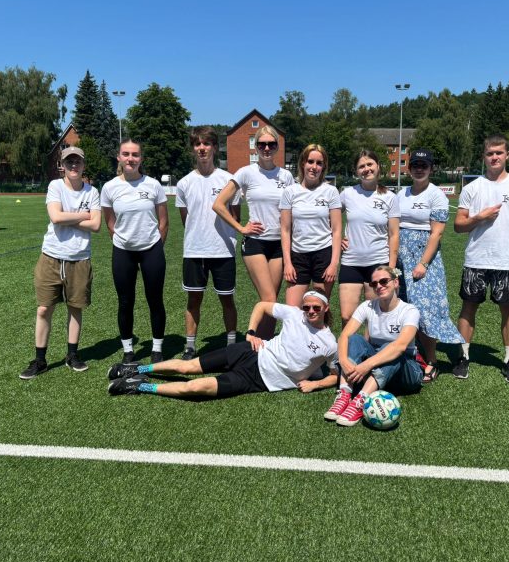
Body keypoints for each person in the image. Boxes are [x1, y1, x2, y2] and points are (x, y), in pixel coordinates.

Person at [107, 291, 338, 399]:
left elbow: (336, 376)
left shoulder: (329, 343)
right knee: (187, 367)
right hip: (249, 352)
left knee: (194, 388)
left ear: (326, 308)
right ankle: (136, 369)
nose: (310, 311)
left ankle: (140, 386)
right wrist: (250, 333)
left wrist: (315, 384)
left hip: (258, 381)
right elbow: (261, 306)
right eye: (307, 307)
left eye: (316, 308)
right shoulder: (293, 313)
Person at [453, 134, 509, 383]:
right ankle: (463, 357)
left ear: (507, 155)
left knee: (508, 310)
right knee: (468, 307)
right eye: (490, 153)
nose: (494, 157)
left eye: (499, 152)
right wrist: (480, 217)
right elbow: (458, 225)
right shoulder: (472, 188)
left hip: (507, 262)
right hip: (476, 259)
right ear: (484, 156)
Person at [19, 147, 101, 379]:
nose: (73, 165)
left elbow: (96, 225)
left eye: (77, 162)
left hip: (79, 258)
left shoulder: (92, 191)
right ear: (62, 166)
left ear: (83, 165)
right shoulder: (55, 186)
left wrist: (67, 217)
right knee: (44, 308)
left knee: (75, 308)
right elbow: (55, 217)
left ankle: (72, 355)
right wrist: (84, 215)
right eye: (69, 162)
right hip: (51, 257)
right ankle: (40, 360)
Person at [213, 125, 294, 339]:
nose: (266, 148)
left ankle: (263, 347)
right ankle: (256, 344)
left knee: (271, 301)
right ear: (256, 147)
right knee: (269, 298)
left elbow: (295, 209)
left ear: (277, 146)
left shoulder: (286, 176)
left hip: (279, 244)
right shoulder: (246, 172)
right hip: (255, 243)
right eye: (262, 144)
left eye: (271, 144)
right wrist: (241, 227)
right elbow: (219, 204)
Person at [324, 265, 422, 427]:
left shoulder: (409, 311)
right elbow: (344, 336)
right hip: (378, 371)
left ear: (396, 282)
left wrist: (366, 365)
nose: (379, 286)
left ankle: (360, 401)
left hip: (407, 372)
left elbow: (400, 346)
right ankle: (344, 394)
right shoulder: (368, 306)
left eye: (384, 281)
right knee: (354, 339)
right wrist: (344, 361)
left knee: (391, 348)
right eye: (374, 284)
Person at [397, 149, 463, 382]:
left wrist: (423, 263)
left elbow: (436, 234)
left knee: (425, 310)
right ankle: (412, 354)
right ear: (409, 168)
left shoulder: (436, 195)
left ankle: (432, 360)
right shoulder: (401, 193)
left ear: (431, 168)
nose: (419, 169)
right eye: (415, 165)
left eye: (423, 165)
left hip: (424, 258)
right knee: (403, 307)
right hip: (401, 257)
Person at [101, 139, 169, 364]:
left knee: (155, 300)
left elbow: (163, 222)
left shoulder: (153, 185)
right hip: (123, 251)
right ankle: (128, 351)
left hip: (151, 250)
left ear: (141, 158)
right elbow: (110, 223)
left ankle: (157, 349)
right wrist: (124, 241)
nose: (130, 158)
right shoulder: (109, 187)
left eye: (135, 154)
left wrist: (155, 246)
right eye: (126, 154)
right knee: (125, 302)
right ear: (119, 157)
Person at [176, 126, 240, 360]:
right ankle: (190, 346)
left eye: (206, 144)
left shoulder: (228, 180)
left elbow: (236, 217)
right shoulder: (184, 183)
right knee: (193, 300)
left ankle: (231, 344)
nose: (202, 148)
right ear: (193, 149)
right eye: (197, 144)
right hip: (194, 251)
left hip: (223, 250)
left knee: (227, 299)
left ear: (214, 147)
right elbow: (186, 220)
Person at [339, 149, 400, 325]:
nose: (366, 169)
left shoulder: (390, 197)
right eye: (361, 166)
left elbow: (394, 234)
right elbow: (329, 219)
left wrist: (391, 269)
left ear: (378, 166)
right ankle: (347, 345)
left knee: (374, 319)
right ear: (356, 171)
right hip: (351, 262)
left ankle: (370, 345)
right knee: (347, 317)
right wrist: (335, 238)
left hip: (378, 263)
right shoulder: (347, 194)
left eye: (370, 164)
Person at [280, 144, 342, 306]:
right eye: (310, 161)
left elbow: (336, 230)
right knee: (292, 311)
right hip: (298, 256)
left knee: (318, 309)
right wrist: (288, 263)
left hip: (323, 255)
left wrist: (333, 264)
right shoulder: (290, 192)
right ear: (303, 163)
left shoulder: (331, 191)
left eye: (319, 163)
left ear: (324, 167)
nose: (314, 167)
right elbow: (285, 230)